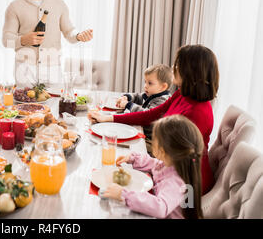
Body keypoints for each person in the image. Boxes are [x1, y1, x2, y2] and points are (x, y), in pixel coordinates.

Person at [88, 44, 219, 194]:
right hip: (170, 165)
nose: (173, 67)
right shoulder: (182, 94)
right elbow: (150, 115)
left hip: (188, 182)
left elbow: (180, 160)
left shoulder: (198, 113)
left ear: (190, 71)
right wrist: (109, 118)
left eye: (178, 64)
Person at [2, 0, 94, 88]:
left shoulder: (59, 4)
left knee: (56, 107)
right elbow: (6, 41)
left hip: (53, 70)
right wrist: (23, 40)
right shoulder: (14, 6)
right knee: (25, 107)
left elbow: (69, 32)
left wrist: (78, 35)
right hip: (25, 70)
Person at [100, 115, 204, 219]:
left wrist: (124, 195)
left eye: (154, 139)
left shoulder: (175, 182)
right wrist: (133, 158)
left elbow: (160, 208)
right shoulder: (171, 164)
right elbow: (154, 164)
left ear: (162, 151)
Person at [115, 64, 173, 142]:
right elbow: (139, 96)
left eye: (150, 83)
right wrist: (127, 97)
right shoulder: (152, 93)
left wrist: (128, 105)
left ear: (163, 87)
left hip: (151, 139)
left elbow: (145, 114)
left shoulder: (162, 101)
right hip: (143, 130)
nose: (145, 86)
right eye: (145, 82)